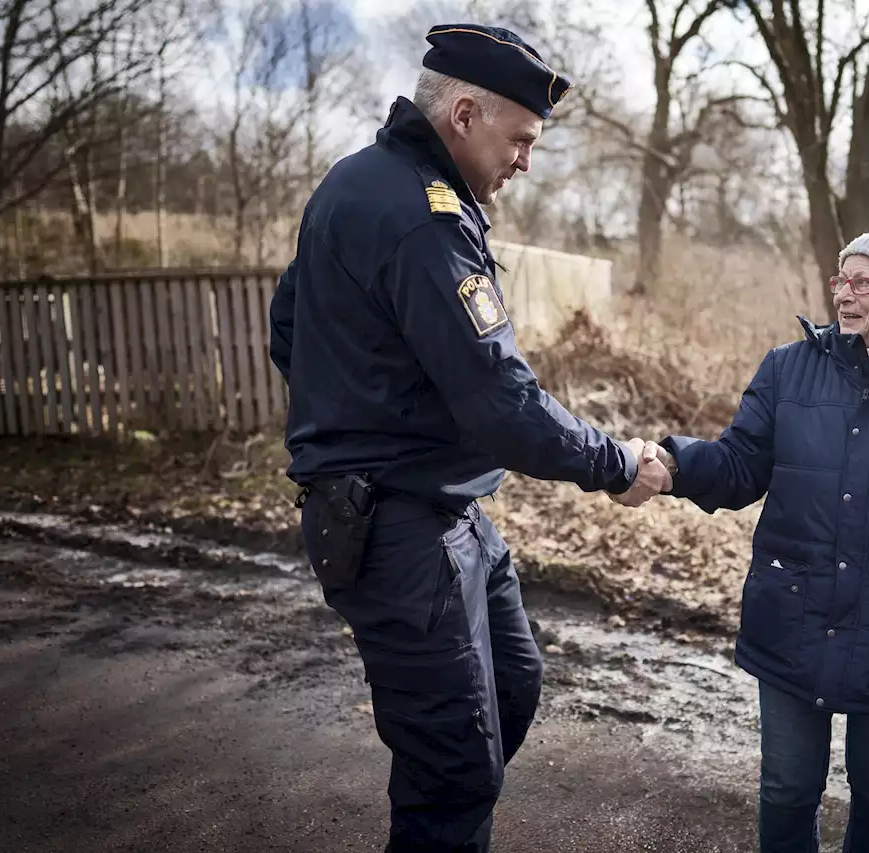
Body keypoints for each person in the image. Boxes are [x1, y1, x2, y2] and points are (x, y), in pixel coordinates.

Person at [266, 23, 671, 853]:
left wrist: (370, 401)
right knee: (454, 769)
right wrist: (615, 461)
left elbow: (288, 327)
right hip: (401, 528)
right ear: (463, 114)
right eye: (521, 139)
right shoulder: (424, 215)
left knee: (512, 688)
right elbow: (504, 405)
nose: (527, 159)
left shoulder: (357, 181)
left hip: (448, 514)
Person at [629, 229, 869, 853]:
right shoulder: (788, 367)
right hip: (794, 611)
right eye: (841, 279)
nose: (845, 295)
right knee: (785, 789)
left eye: (864, 282)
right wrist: (674, 465)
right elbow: (741, 463)